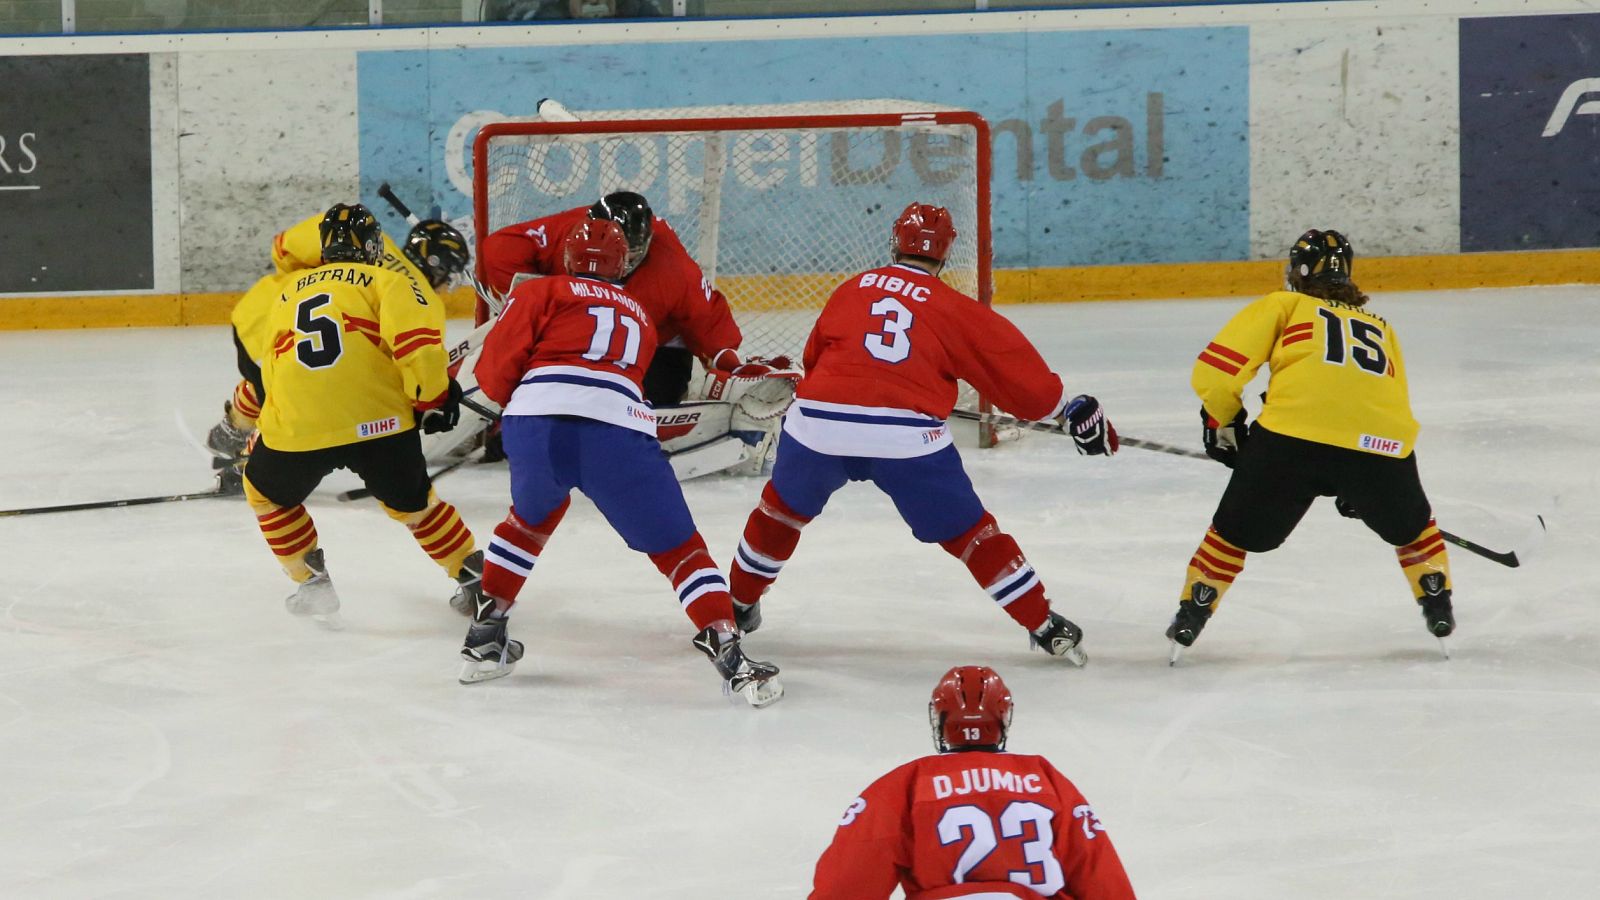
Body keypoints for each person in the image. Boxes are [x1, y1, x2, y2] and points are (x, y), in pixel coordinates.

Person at [726, 202, 1117, 664]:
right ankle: (1044, 624)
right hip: (905, 441)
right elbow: (1013, 372)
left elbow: (815, 360)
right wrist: (1064, 410)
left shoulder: (850, 289)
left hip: (817, 428)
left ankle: (738, 606)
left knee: (780, 513)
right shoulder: (950, 306)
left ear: (894, 242)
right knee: (972, 535)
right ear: (946, 254)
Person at [464, 218, 783, 706]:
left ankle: (485, 639)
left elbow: (494, 371)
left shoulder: (538, 292)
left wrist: (515, 404)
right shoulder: (638, 311)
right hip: (616, 429)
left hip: (536, 424)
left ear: (568, 258)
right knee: (680, 549)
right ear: (624, 263)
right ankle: (728, 650)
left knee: (529, 520)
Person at [1169, 228, 1455, 661]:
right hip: (1379, 447)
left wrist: (1224, 423)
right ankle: (1437, 602)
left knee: (1234, 534)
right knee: (1411, 528)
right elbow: (1379, 405)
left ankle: (1194, 610)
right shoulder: (1381, 327)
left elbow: (1215, 373)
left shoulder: (1285, 305)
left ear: (1298, 272)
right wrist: (1360, 486)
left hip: (1290, 440)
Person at [241, 204, 481, 627]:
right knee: (417, 507)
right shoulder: (391, 281)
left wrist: (273, 424)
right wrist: (433, 399)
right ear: (373, 247)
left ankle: (311, 583)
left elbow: (272, 368)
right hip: (381, 424)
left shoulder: (286, 291)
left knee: (266, 493)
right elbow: (418, 349)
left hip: (299, 426)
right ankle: (475, 580)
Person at [480, 190, 796, 479]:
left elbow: (706, 316)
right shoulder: (567, 230)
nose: (622, 262)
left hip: (652, 343)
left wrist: (728, 360)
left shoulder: (673, 269)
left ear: (646, 242)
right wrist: (533, 305)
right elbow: (498, 250)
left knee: (643, 410)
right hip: (571, 337)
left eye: (630, 254)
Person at [810, 666, 1137, 899]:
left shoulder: (906, 784)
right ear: (1003, 718)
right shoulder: (1044, 777)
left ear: (939, 720)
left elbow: (847, 884)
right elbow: (1098, 873)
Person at [206, 208, 472, 489]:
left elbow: (284, 246)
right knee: (294, 401)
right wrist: (430, 403)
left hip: (258, 313)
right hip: (301, 348)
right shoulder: (422, 296)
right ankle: (246, 467)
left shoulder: (367, 240)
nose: (446, 286)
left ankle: (232, 427)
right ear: (437, 266)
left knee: (271, 381)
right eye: (448, 277)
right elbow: (416, 366)